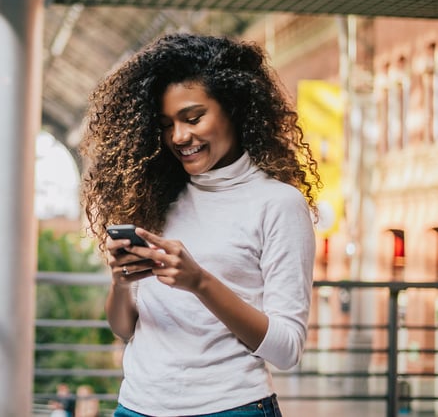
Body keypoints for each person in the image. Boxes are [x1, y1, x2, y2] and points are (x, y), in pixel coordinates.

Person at [79, 33, 320, 417]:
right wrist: (122, 282)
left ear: (234, 109)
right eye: (166, 124)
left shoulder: (278, 204)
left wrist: (200, 282)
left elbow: (287, 349)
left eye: (193, 118)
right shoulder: (153, 198)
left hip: (229, 407)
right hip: (137, 406)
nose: (179, 136)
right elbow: (125, 330)